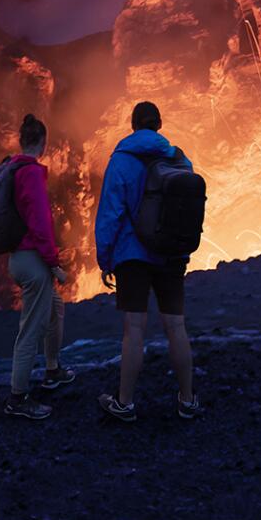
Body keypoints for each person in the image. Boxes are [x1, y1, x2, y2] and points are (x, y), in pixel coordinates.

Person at [94, 100, 202, 423]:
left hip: (132, 257)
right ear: (159, 125)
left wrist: (105, 258)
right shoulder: (179, 159)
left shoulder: (121, 162)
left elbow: (110, 214)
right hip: (170, 254)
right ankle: (187, 400)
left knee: (134, 329)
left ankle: (125, 403)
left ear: (133, 125)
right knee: (176, 326)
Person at [4, 113, 74, 420]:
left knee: (55, 308)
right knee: (31, 328)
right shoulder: (30, 174)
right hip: (32, 260)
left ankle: (52, 369)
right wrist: (54, 263)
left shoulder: (11, 169)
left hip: (19, 257)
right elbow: (41, 223)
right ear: (43, 144)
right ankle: (18, 398)